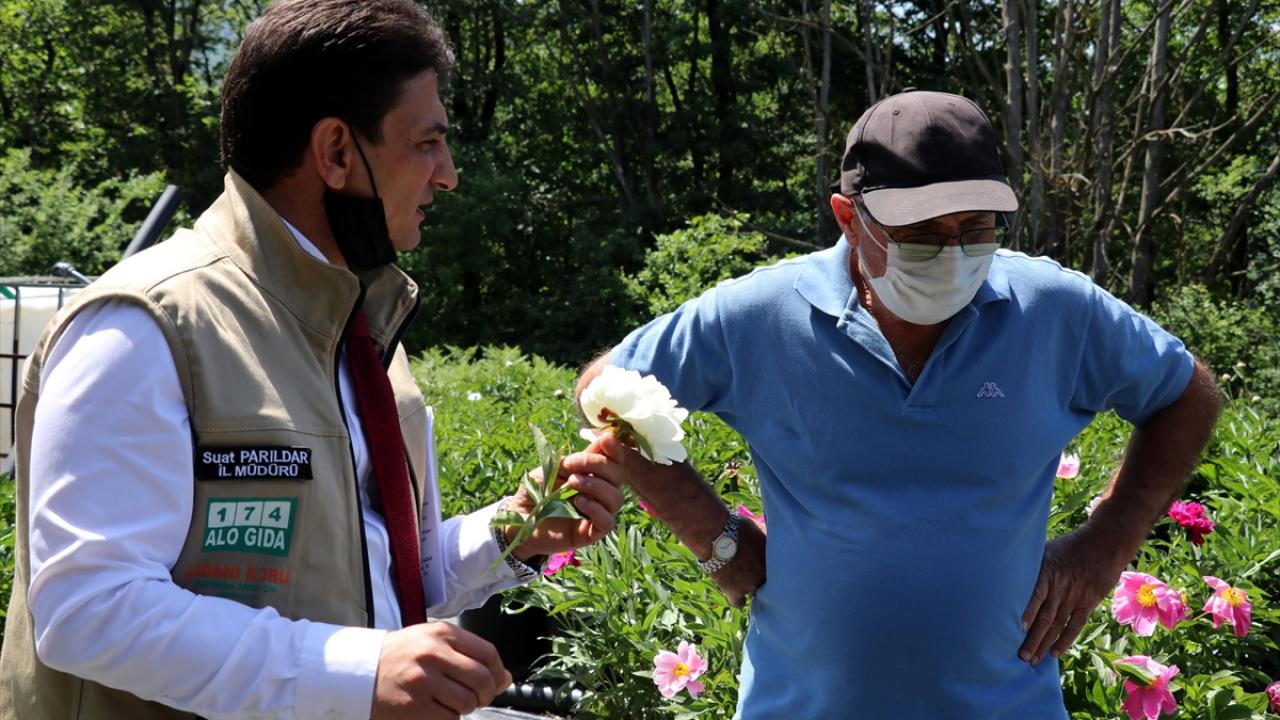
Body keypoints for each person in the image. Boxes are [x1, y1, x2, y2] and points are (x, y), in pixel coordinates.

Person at [0, 1, 626, 719]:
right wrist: (359, 671)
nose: (448, 175)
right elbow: (89, 610)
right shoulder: (144, 326)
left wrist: (510, 531)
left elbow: (380, 576)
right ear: (335, 152)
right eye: (427, 142)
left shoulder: (362, 332)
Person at [574, 90, 1222, 718]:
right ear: (847, 218)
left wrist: (1108, 541)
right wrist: (715, 537)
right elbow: (604, 392)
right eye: (920, 234)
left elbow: (1187, 395)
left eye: (976, 227)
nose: (952, 255)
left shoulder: (1053, 310)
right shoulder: (762, 315)